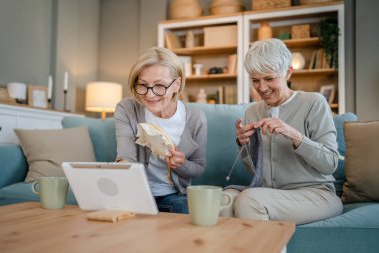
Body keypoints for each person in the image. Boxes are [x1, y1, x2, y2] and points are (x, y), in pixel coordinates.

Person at [221, 38, 343, 224]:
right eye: (255, 80)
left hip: (316, 195)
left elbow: (330, 164)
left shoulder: (314, 103)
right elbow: (255, 171)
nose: (262, 88)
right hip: (270, 194)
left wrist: (294, 135)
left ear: (287, 73)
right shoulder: (252, 111)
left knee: (250, 200)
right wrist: (243, 144)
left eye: (269, 78)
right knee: (224, 199)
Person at [114, 47, 207, 214]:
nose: (150, 95)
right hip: (136, 193)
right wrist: (123, 174)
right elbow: (126, 157)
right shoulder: (127, 109)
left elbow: (199, 167)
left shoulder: (195, 118)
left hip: (173, 196)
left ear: (176, 85)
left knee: (185, 207)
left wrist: (181, 164)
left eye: (159, 86)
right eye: (142, 85)